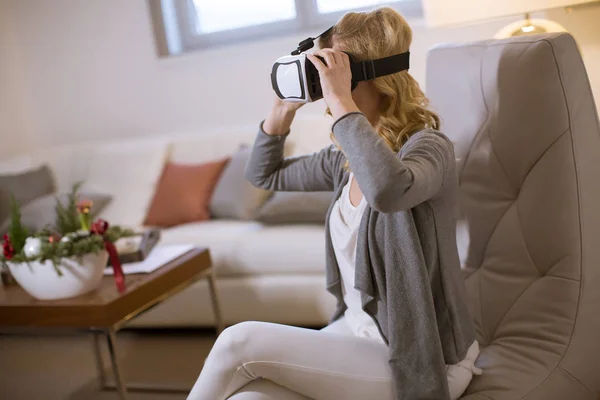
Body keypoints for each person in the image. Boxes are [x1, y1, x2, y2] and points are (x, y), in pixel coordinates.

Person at [187, 7, 480, 400]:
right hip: (353, 333)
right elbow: (265, 175)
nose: (325, 88)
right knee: (247, 398)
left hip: (420, 354)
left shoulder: (429, 149)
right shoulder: (343, 160)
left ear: (370, 76)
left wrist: (342, 100)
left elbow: (388, 190)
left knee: (238, 342)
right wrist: (281, 111)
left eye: (331, 71)